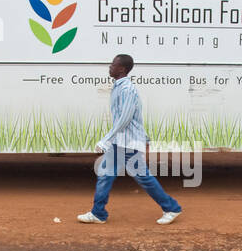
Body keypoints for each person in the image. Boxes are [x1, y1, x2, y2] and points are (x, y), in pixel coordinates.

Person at [77, 54, 182, 225]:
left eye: (113, 64)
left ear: (121, 69)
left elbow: (125, 118)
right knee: (106, 174)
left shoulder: (127, 89)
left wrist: (106, 139)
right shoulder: (120, 87)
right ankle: (98, 213)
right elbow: (136, 116)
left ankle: (171, 207)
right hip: (122, 141)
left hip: (127, 143)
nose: (110, 67)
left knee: (142, 177)